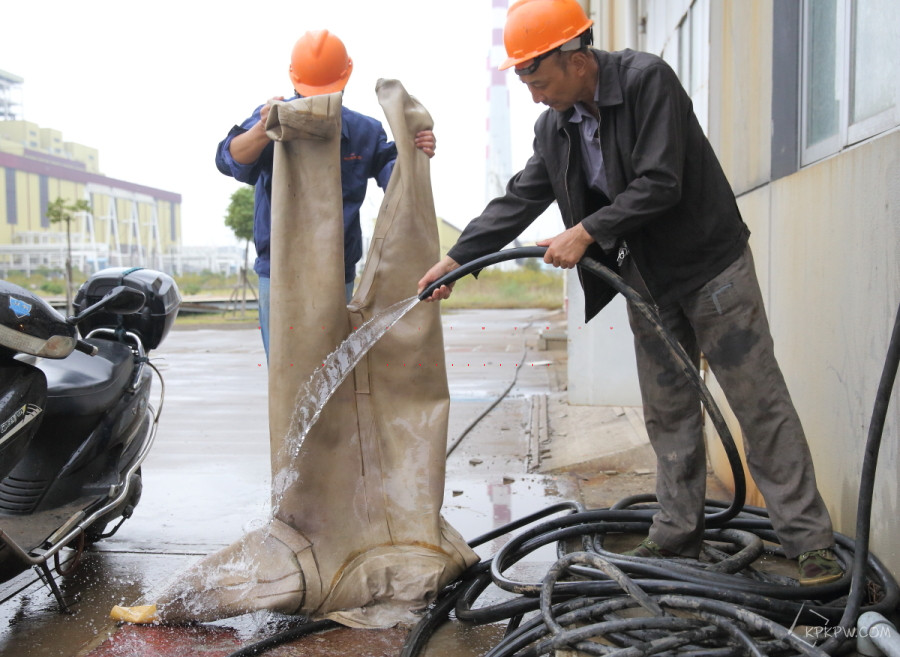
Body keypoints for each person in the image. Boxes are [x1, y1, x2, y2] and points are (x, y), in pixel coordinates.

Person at [417, 0, 842, 586]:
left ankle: (810, 543)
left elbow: (661, 182)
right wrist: (457, 259)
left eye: (539, 80)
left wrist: (586, 231)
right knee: (669, 414)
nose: (535, 96)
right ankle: (677, 538)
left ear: (574, 56)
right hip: (649, 282)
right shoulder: (555, 125)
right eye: (527, 84)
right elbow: (521, 197)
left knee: (758, 404)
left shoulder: (647, 81)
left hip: (711, 268)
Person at [216, 29, 436, 357]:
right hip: (278, 272)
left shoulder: (364, 132)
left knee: (330, 374)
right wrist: (264, 129)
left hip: (337, 273)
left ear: (344, 80)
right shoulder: (270, 119)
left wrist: (414, 152)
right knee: (284, 370)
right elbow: (228, 159)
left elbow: (398, 181)